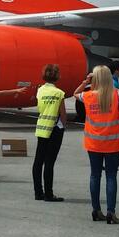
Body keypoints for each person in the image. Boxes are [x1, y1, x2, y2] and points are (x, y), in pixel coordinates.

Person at [74, 65, 119, 224]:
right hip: (112, 142)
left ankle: (96, 210)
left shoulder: (88, 95)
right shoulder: (118, 94)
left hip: (93, 142)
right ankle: (111, 212)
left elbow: (75, 94)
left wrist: (86, 81)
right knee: (111, 176)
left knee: (95, 175)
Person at [33, 64, 68, 202]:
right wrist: (63, 126)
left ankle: (38, 192)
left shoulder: (40, 90)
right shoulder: (59, 93)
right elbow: (63, 114)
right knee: (49, 162)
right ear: (57, 76)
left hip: (42, 127)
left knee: (38, 161)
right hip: (54, 128)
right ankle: (48, 193)